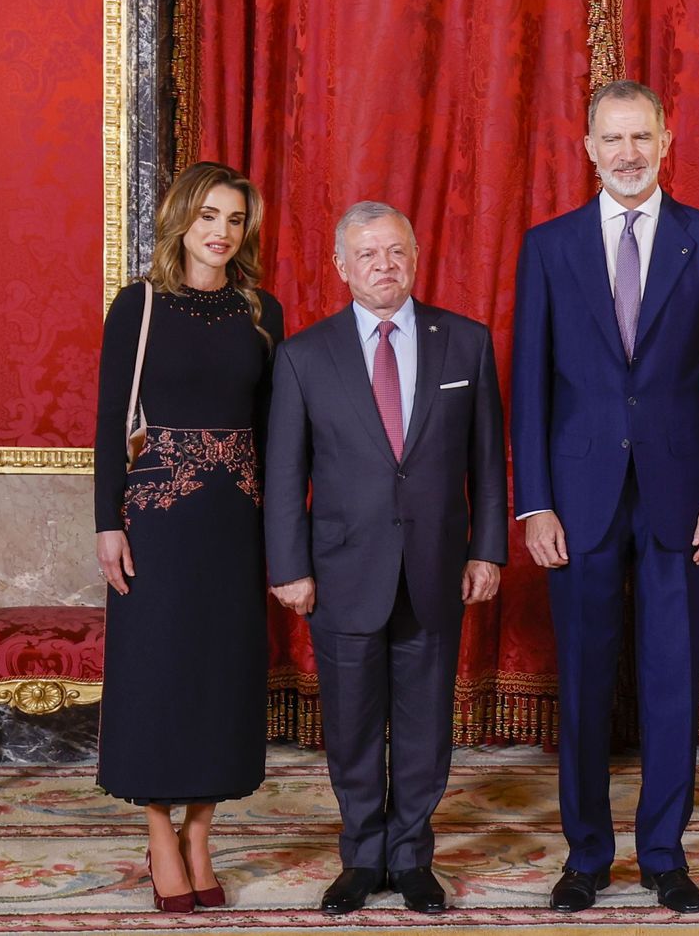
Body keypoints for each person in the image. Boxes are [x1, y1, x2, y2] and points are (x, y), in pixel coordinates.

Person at [510, 79, 699, 914]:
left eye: (641, 137)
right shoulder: (548, 246)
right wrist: (533, 500)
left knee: (673, 675)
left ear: (667, 140)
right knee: (580, 678)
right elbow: (529, 383)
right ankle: (585, 855)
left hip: (683, 499)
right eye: (611, 139)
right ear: (587, 147)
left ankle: (663, 853)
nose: (627, 153)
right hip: (576, 499)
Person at [263, 202, 506, 916]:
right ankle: (363, 855)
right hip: (341, 571)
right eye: (368, 254)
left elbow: (488, 463)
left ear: (417, 254)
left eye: (396, 252)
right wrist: (290, 566)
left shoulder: (465, 343)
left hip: (436, 566)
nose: (384, 266)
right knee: (353, 722)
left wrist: (487, 549)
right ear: (341, 265)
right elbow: (284, 474)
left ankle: (413, 856)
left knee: (427, 720)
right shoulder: (305, 355)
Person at [94, 161, 284, 913]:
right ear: (181, 218)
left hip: (235, 520)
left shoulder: (262, 311)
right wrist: (108, 522)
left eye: (235, 220)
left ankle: (201, 832)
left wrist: (284, 532)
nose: (221, 232)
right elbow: (111, 422)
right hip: (158, 520)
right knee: (157, 671)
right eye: (209, 215)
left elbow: (273, 432)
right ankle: (158, 832)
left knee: (220, 677)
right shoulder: (138, 305)